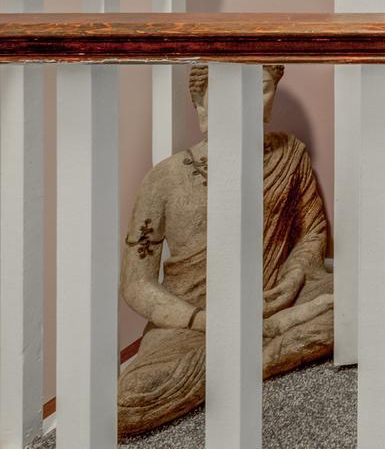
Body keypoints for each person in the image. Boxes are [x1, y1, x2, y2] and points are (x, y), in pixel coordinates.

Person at [117, 64, 335, 435]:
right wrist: (204, 321)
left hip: (277, 298)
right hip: (193, 318)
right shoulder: (165, 178)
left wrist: (294, 275)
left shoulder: (289, 155)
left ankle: (248, 350)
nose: (247, 104)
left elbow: (312, 233)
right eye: (228, 94)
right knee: (131, 399)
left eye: (262, 89)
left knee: (365, 303)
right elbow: (136, 283)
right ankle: (263, 348)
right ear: (201, 104)